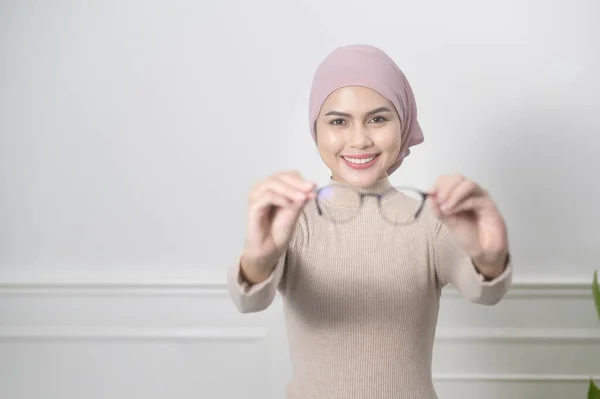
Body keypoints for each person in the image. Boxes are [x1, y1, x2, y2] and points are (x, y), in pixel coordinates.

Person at [226, 44, 512, 399]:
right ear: (316, 128)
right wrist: (257, 260)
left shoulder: (430, 221)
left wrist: (490, 258)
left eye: (378, 119)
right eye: (338, 121)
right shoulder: (291, 222)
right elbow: (249, 300)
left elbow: (485, 291)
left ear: (403, 123)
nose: (359, 140)